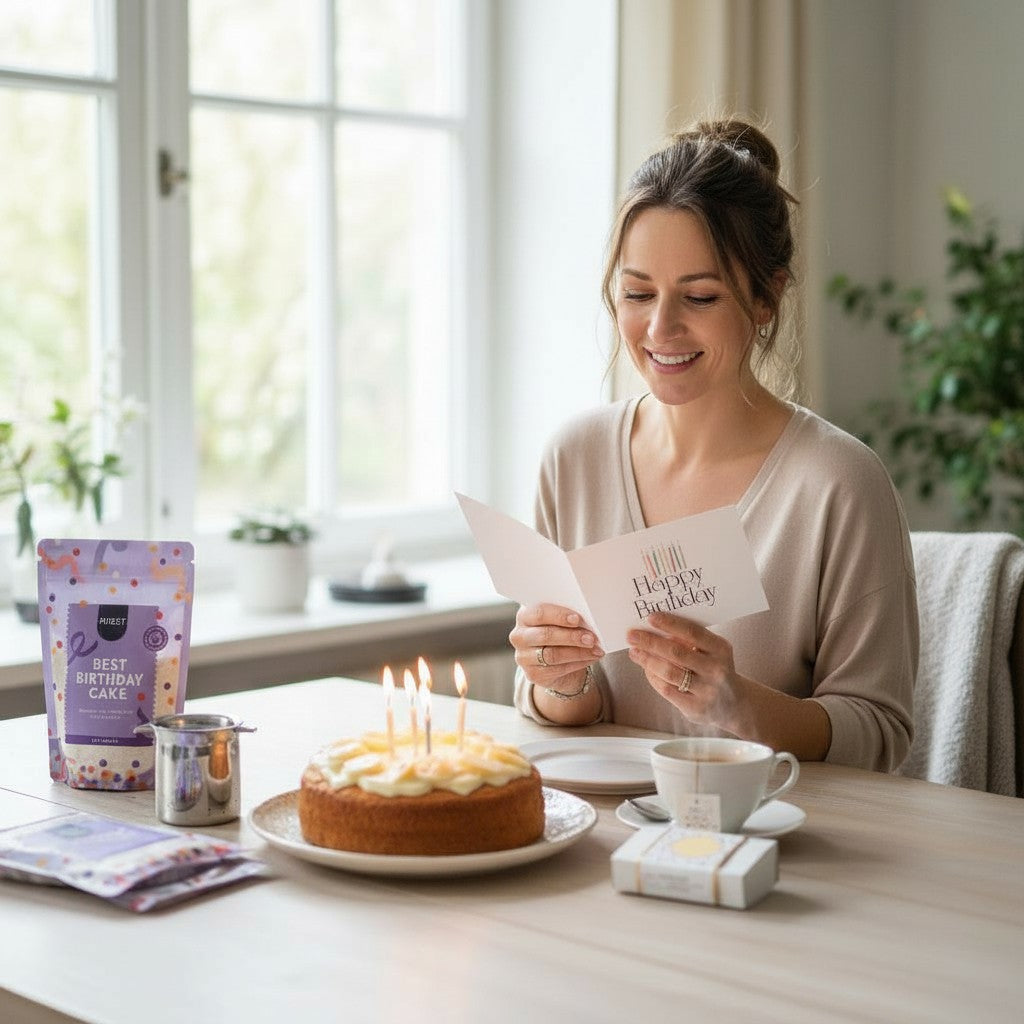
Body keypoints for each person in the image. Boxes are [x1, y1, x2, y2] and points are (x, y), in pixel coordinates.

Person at [509, 119, 917, 772]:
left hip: (773, 827)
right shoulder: (573, 459)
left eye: (699, 297)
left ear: (766, 297)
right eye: (637, 293)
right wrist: (558, 679)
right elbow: (564, 708)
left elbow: (881, 733)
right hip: (603, 825)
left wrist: (739, 706)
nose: (660, 328)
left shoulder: (838, 483)